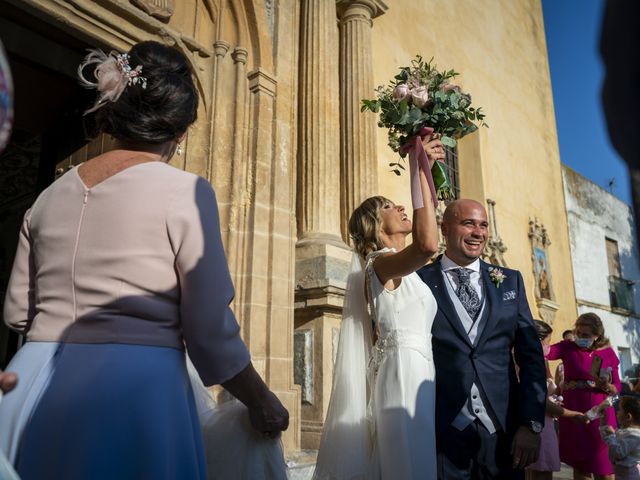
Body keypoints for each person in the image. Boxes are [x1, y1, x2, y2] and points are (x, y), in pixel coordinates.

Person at [0, 41, 288, 479]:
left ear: (113, 109)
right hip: (132, 394)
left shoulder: (46, 197)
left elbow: (17, 313)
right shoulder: (186, 191)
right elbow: (208, 328)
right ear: (182, 130)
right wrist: (259, 397)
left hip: (26, 388)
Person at [313, 130, 444, 479]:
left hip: (419, 372)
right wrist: (418, 169)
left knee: (414, 462)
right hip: (401, 372)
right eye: (388, 205)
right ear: (373, 225)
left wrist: (426, 171)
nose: (400, 206)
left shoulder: (404, 269)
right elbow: (428, 244)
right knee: (405, 465)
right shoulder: (381, 263)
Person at [416, 199, 547, 478]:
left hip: (505, 433)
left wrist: (531, 424)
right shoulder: (420, 281)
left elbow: (532, 358)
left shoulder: (510, 280)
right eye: (468, 223)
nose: (478, 232)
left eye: (483, 225)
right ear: (445, 228)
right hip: (442, 431)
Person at [546, 312, 621, 480]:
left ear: (597, 335)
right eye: (578, 332)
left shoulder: (607, 353)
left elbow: (617, 387)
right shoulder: (568, 347)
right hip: (574, 411)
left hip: (600, 412)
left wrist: (606, 386)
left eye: (585, 335)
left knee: (605, 468)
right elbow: (546, 352)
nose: (580, 337)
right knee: (581, 467)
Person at [526, 320, 589, 480]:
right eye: (548, 343)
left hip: (535, 425)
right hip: (541, 428)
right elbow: (540, 402)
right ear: (538, 341)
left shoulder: (528, 361)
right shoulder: (531, 365)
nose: (549, 348)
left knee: (532, 472)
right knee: (542, 473)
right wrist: (572, 414)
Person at [599, 395, 640, 480]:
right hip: (621, 474)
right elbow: (609, 442)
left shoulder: (634, 436)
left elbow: (617, 453)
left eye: (620, 410)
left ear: (628, 416)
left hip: (630, 476)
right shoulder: (625, 431)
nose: (617, 412)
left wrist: (611, 435)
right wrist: (603, 424)